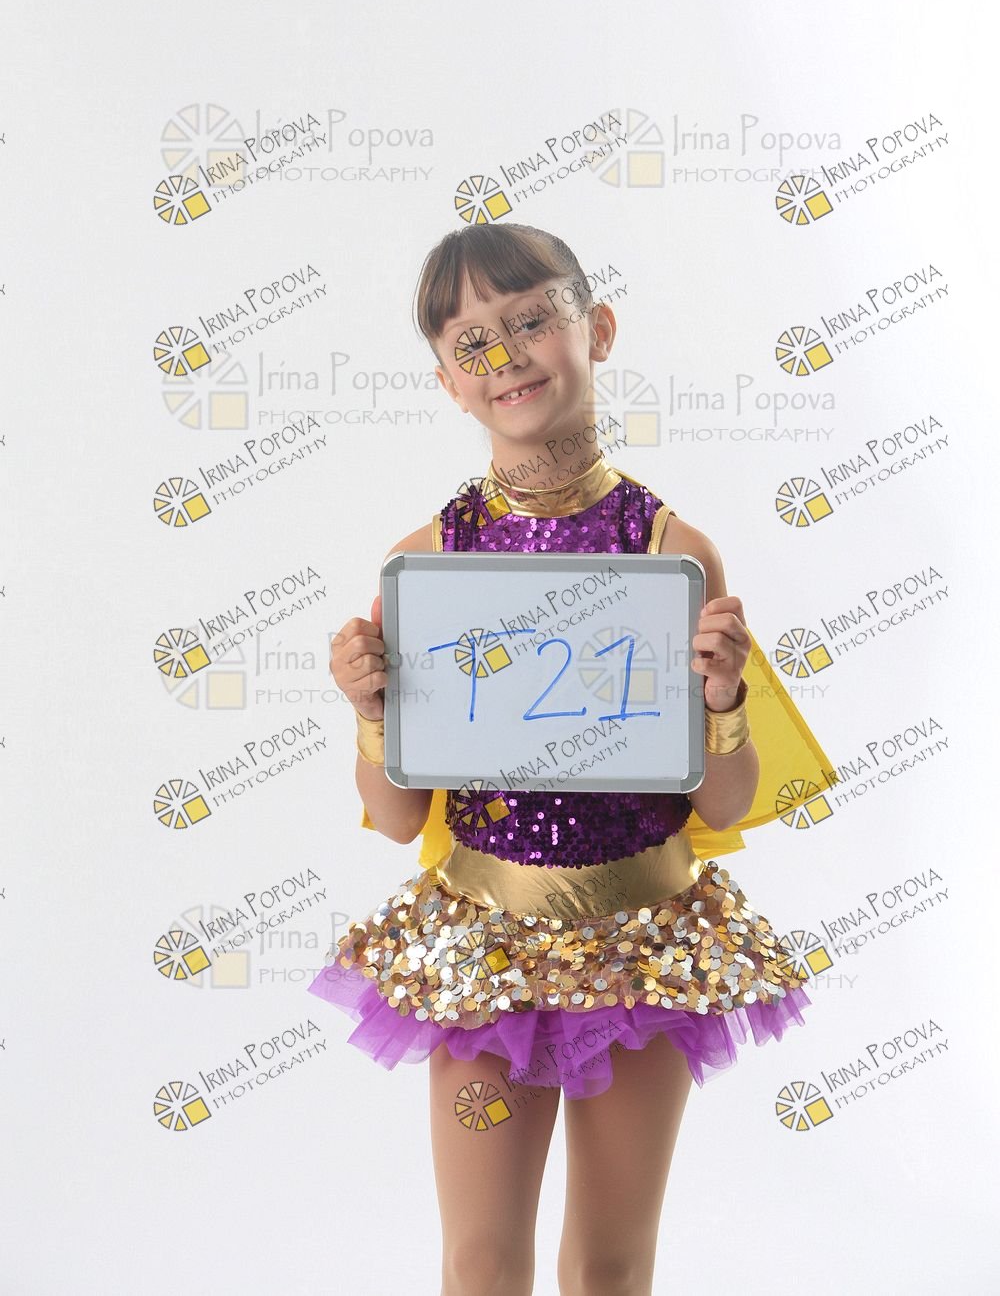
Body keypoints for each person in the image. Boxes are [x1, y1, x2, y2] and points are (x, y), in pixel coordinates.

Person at [308, 222, 833, 1296]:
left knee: (610, 1262)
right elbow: (400, 818)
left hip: (645, 957)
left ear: (596, 328)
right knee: (480, 1258)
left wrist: (723, 698)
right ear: (446, 381)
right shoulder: (426, 563)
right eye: (473, 343)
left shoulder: (670, 553)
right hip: (482, 955)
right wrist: (370, 711)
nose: (506, 357)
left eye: (530, 321)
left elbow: (721, 801)